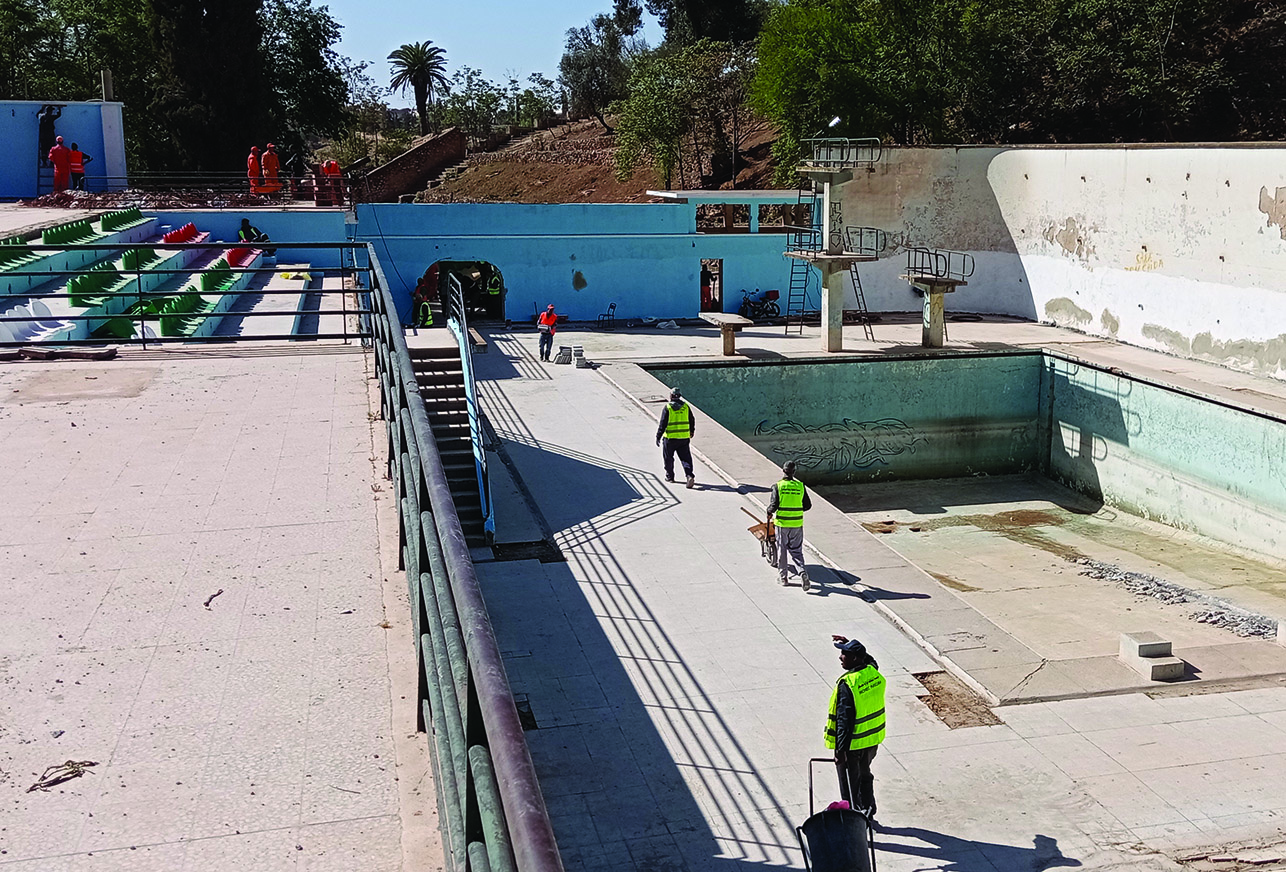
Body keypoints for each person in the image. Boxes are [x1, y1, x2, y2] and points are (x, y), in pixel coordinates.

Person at [825, 636, 886, 820]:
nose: (840, 657)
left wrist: (840, 750)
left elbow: (845, 721)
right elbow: (871, 661)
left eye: (845, 653)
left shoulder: (848, 684)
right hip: (871, 741)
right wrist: (849, 643)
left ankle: (856, 819)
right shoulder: (872, 672)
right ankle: (869, 810)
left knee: (850, 786)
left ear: (856, 658)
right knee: (865, 775)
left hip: (852, 746)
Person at [767, 460, 812, 589]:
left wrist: (768, 511)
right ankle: (802, 572)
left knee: (782, 550)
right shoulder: (800, 486)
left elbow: (773, 506)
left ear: (783, 470)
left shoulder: (778, 486)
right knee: (797, 551)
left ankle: (783, 578)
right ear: (794, 472)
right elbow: (808, 505)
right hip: (797, 524)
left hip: (782, 524)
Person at [655, 387, 696, 488]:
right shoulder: (686, 407)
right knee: (686, 458)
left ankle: (670, 477)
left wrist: (658, 436)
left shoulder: (668, 407)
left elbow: (663, 423)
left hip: (670, 438)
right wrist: (691, 431)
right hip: (684, 438)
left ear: (671, 396)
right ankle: (689, 475)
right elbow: (692, 419)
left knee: (668, 458)